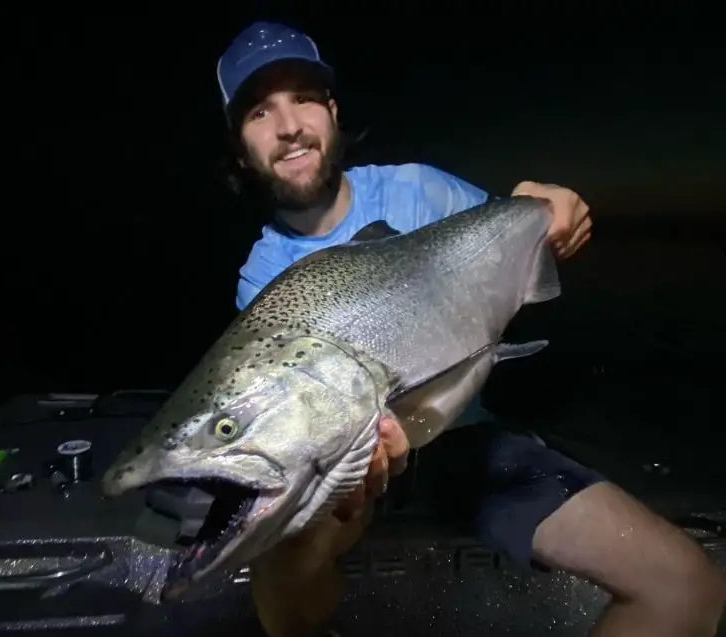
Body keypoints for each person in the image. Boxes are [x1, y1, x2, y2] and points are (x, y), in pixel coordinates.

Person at [217, 20, 726, 637]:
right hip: (352, 464)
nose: (289, 125)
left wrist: (549, 205)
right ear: (241, 146)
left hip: (464, 439)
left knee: (686, 587)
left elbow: (513, 234)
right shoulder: (264, 277)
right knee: (285, 598)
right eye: (259, 112)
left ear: (330, 110)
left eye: (303, 97)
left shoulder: (418, 190)